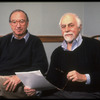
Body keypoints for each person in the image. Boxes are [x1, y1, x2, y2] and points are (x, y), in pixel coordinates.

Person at [39, 13, 100, 99]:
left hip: (88, 93)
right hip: (61, 93)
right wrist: (37, 89)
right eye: (63, 26)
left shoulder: (95, 46)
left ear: (79, 28)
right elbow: (51, 80)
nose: (67, 29)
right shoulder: (57, 52)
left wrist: (85, 77)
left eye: (71, 25)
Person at [0, 9, 48, 99]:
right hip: (2, 79)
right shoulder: (2, 41)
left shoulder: (35, 42)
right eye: (14, 22)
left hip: (22, 83)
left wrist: (20, 77)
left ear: (27, 23)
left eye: (21, 21)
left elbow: (42, 66)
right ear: (10, 24)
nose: (18, 25)